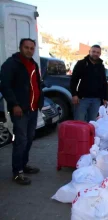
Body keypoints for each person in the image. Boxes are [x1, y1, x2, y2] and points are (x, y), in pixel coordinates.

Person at [0, 38, 44, 185]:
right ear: (20, 48)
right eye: (26, 47)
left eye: (32, 48)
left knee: (29, 138)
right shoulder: (11, 64)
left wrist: (40, 101)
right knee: (21, 140)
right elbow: (5, 86)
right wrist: (14, 104)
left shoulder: (33, 64)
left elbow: (37, 84)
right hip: (20, 110)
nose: (29, 50)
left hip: (32, 109)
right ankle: (17, 172)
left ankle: (23, 165)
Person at [70, 45, 108, 122]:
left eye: (98, 52)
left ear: (100, 54)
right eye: (93, 51)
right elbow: (74, 80)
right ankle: (79, 134)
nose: (95, 54)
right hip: (82, 99)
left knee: (92, 123)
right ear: (89, 52)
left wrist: (105, 98)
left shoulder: (101, 66)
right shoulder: (81, 63)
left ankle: (88, 134)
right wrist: (74, 94)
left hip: (96, 100)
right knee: (79, 122)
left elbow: (104, 82)